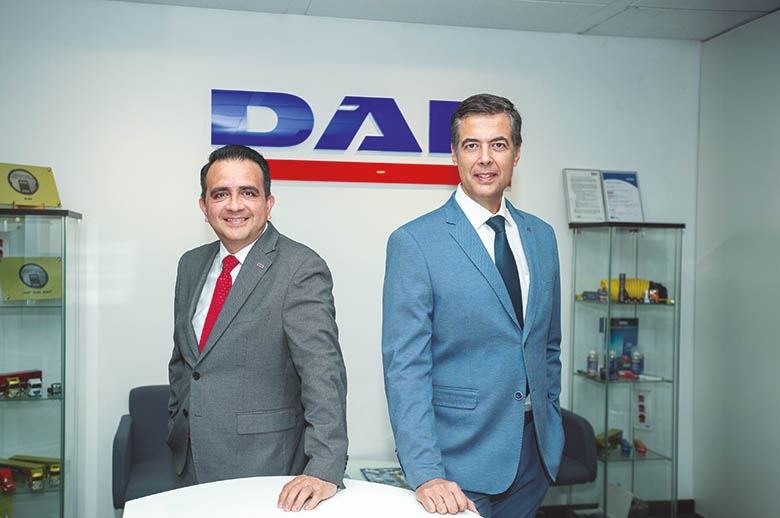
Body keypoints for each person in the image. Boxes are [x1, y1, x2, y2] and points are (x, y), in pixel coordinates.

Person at [382, 94, 564, 517]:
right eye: (471, 145)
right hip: (455, 470)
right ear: (454, 154)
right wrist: (427, 473)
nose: (485, 158)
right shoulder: (415, 242)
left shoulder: (542, 237)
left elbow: (547, 344)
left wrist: (550, 417)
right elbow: (405, 368)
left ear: (516, 153)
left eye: (498, 144)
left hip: (533, 459)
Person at [167, 145, 348, 512]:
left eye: (248, 193)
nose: (234, 205)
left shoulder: (300, 267)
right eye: (220, 194)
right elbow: (185, 362)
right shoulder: (191, 264)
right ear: (204, 206)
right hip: (190, 461)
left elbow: (322, 372)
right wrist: (177, 419)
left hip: (265, 467)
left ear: (269, 202)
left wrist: (324, 468)